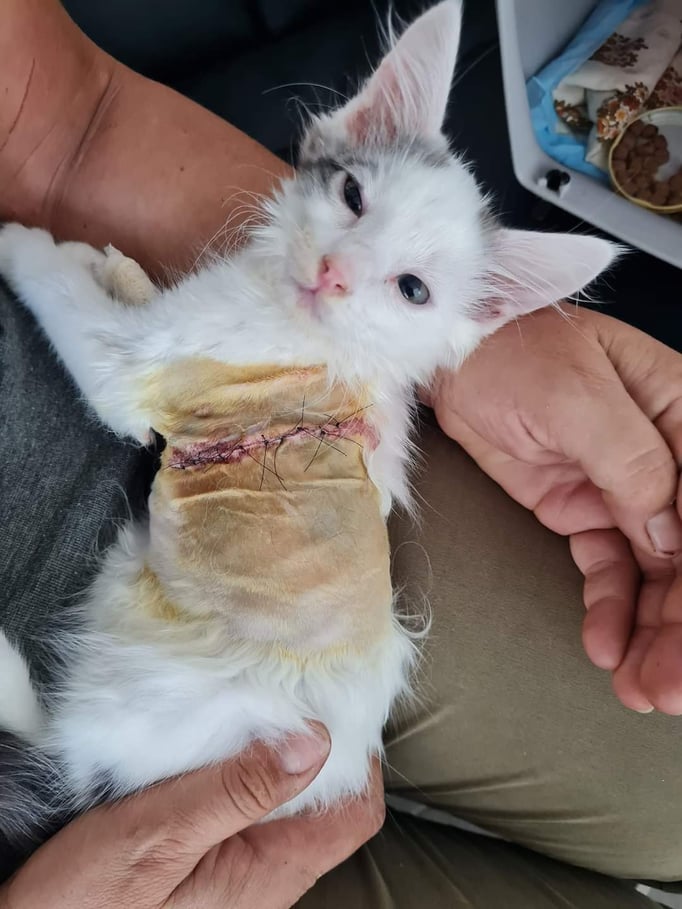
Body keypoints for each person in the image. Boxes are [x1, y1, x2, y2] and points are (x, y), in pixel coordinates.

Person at [1, 1, 681, 906]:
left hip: (201, 693)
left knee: (666, 800)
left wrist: (492, 364)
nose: (338, 272)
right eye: (354, 199)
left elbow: (67, 127)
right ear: (351, 126)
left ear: (474, 321)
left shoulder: (322, 342)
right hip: (215, 729)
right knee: (660, 808)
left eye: (409, 287)